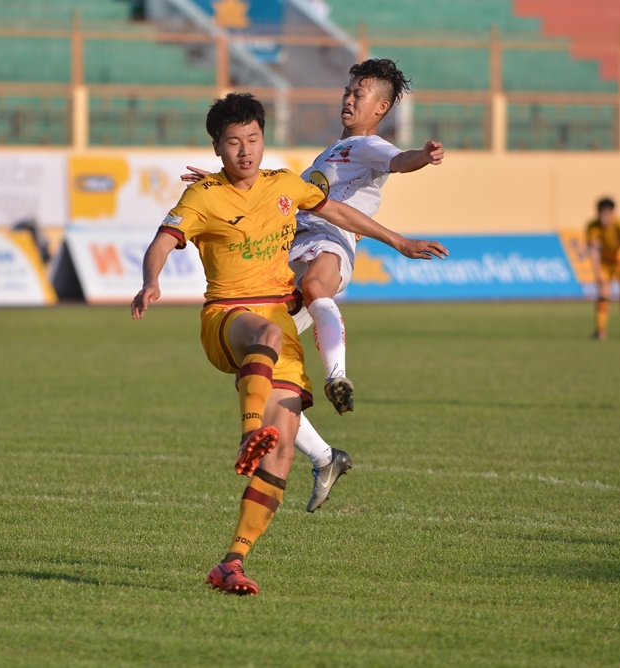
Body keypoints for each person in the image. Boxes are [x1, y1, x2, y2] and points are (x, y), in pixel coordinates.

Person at [132, 92, 447, 595]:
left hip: (278, 323)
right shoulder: (202, 197)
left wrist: (400, 242)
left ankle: (232, 562)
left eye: (253, 139)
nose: (245, 151)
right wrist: (151, 281)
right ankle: (248, 434)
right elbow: (162, 241)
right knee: (269, 335)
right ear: (217, 147)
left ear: (263, 138)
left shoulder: (283, 184)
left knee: (279, 456)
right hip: (229, 317)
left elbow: (341, 214)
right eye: (233, 143)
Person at [182, 58, 445, 512]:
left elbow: (398, 161)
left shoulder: (367, 145)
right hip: (293, 248)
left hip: (330, 241)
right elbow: (277, 197)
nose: (348, 98)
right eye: (347, 90)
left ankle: (337, 375)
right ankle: (326, 458)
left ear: (380, 107)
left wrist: (422, 156)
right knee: (260, 373)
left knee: (317, 289)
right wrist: (224, 185)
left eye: (359, 94)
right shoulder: (333, 151)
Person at [586, 197, 620, 340]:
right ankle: (600, 331)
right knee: (603, 290)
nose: (605, 217)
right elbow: (593, 250)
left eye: (608, 213)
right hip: (605, 263)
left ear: (613, 213)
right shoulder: (593, 226)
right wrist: (597, 272)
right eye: (602, 213)